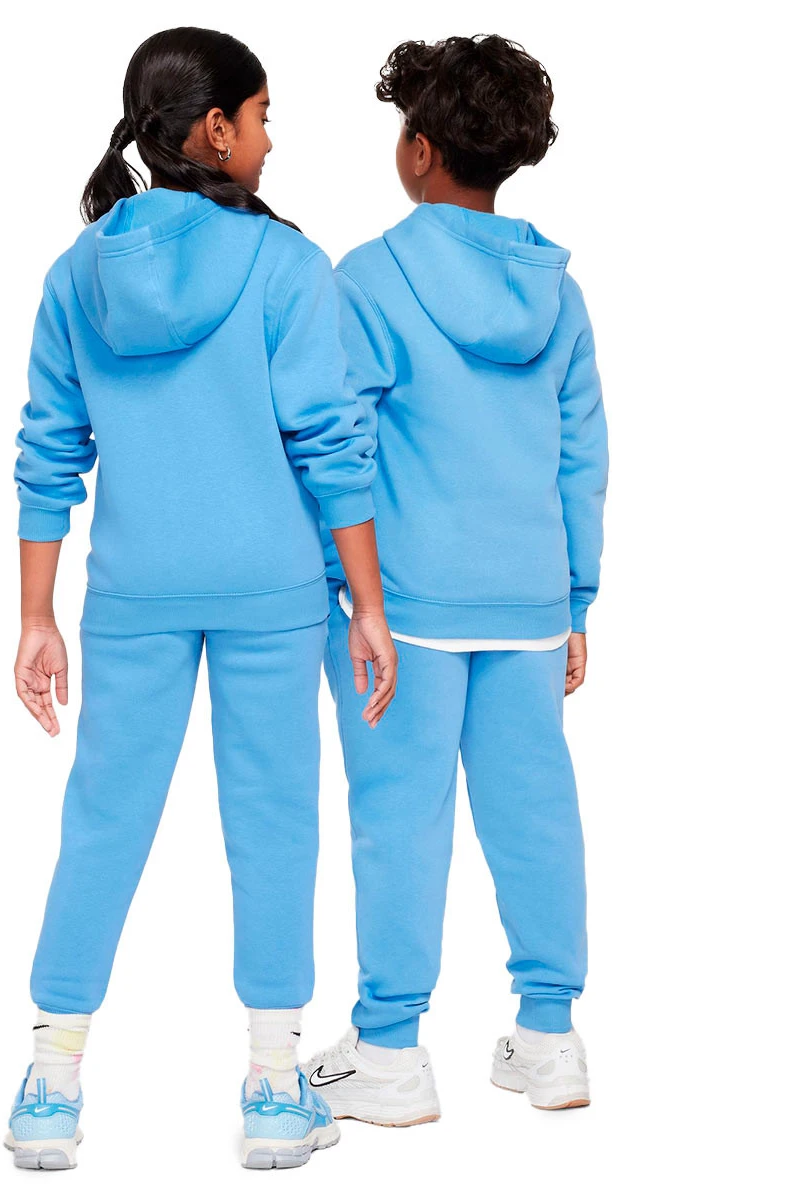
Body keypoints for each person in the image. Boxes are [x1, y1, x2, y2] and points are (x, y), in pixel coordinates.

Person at [5, 26, 397, 1171]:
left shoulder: (79, 273)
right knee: (274, 822)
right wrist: (369, 604)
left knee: (102, 819)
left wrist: (36, 617)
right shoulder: (284, 266)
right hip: (274, 590)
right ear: (215, 130)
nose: (271, 139)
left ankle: (50, 1083)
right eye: (263, 116)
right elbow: (332, 446)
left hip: (132, 592)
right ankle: (275, 1086)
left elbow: (48, 453)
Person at [303, 34, 608, 1124]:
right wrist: (575, 601)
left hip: (404, 610)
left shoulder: (369, 277)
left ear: (421, 150)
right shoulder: (557, 293)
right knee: (536, 812)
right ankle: (550, 1039)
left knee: (399, 817)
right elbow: (582, 456)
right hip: (528, 603)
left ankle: (388, 1052)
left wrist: (341, 592)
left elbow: (337, 447)